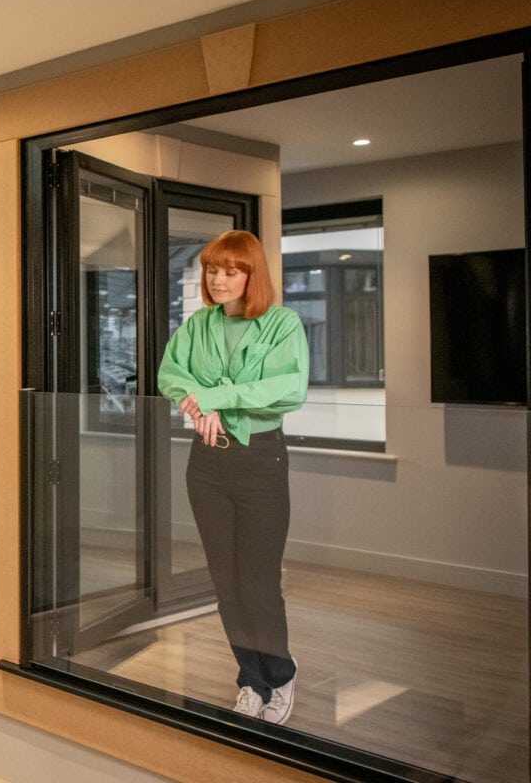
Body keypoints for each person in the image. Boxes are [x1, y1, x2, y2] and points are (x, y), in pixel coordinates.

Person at [157, 229, 309, 724]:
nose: (217, 280)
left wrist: (213, 398)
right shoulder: (198, 325)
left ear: (251, 275)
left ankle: (280, 675)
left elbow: (288, 388)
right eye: (211, 270)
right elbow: (170, 375)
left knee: (258, 585)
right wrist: (196, 402)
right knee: (226, 585)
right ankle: (250, 680)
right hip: (206, 465)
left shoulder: (283, 324)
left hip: (261, 461)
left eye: (230, 271)